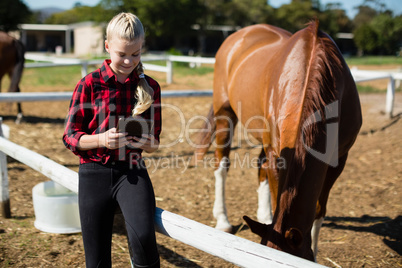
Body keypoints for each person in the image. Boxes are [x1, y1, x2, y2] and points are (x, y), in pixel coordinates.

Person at [63, 12, 161, 268]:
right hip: (93, 173)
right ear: (107, 47)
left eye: (136, 53)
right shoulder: (88, 84)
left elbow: (155, 142)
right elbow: (70, 137)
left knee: (144, 243)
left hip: (132, 171)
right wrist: (101, 140)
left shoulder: (150, 87)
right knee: (96, 260)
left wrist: (146, 143)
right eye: (122, 54)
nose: (129, 60)